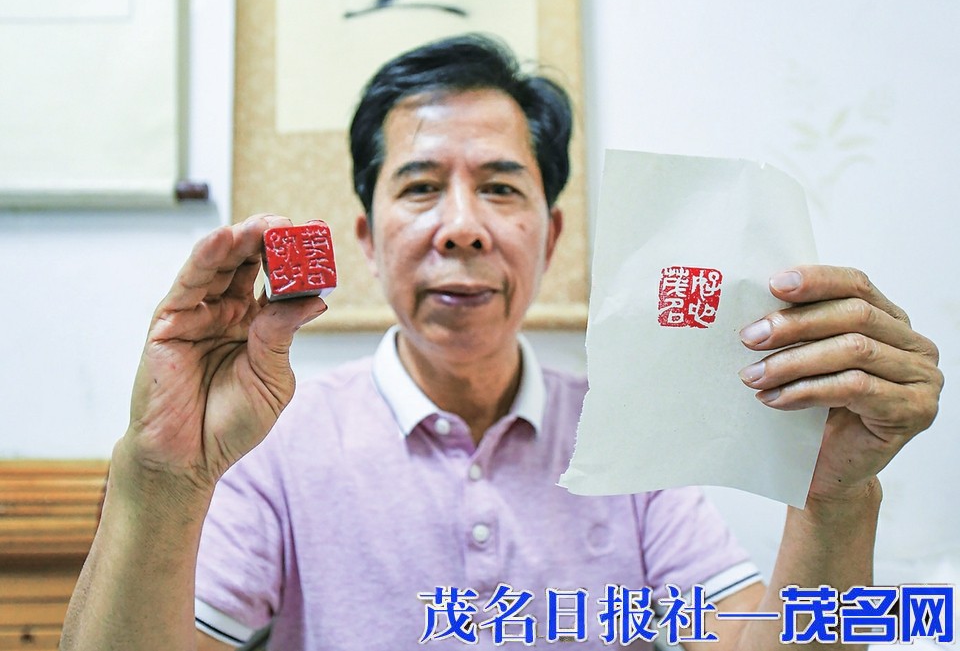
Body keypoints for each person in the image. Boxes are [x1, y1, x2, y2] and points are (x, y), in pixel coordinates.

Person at [61, 35, 943, 651]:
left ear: (550, 239)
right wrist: (161, 476)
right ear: (366, 239)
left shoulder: (629, 431)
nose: (462, 226)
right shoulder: (274, 443)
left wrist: (834, 498)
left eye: (501, 187)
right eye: (419, 187)